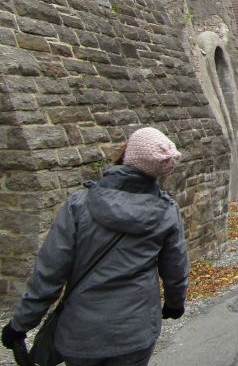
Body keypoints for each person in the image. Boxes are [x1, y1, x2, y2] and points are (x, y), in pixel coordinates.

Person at [1, 126, 189, 366]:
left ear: (127, 154)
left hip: (82, 331)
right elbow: (175, 267)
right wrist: (175, 302)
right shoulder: (166, 210)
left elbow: (50, 272)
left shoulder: (80, 204)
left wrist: (21, 323)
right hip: (136, 329)